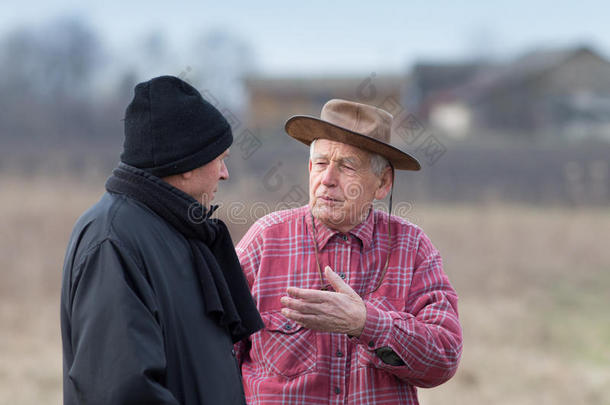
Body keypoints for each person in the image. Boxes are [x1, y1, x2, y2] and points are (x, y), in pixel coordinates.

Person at [235, 99, 462, 404]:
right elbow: (216, 353)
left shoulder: (412, 247)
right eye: (320, 163)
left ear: (383, 183)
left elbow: (444, 359)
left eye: (347, 166)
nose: (327, 179)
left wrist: (366, 323)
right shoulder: (265, 240)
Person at [60, 75, 263, 405]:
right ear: (186, 164)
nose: (224, 173)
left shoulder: (176, 231)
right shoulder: (113, 240)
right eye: (220, 158)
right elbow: (121, 392)